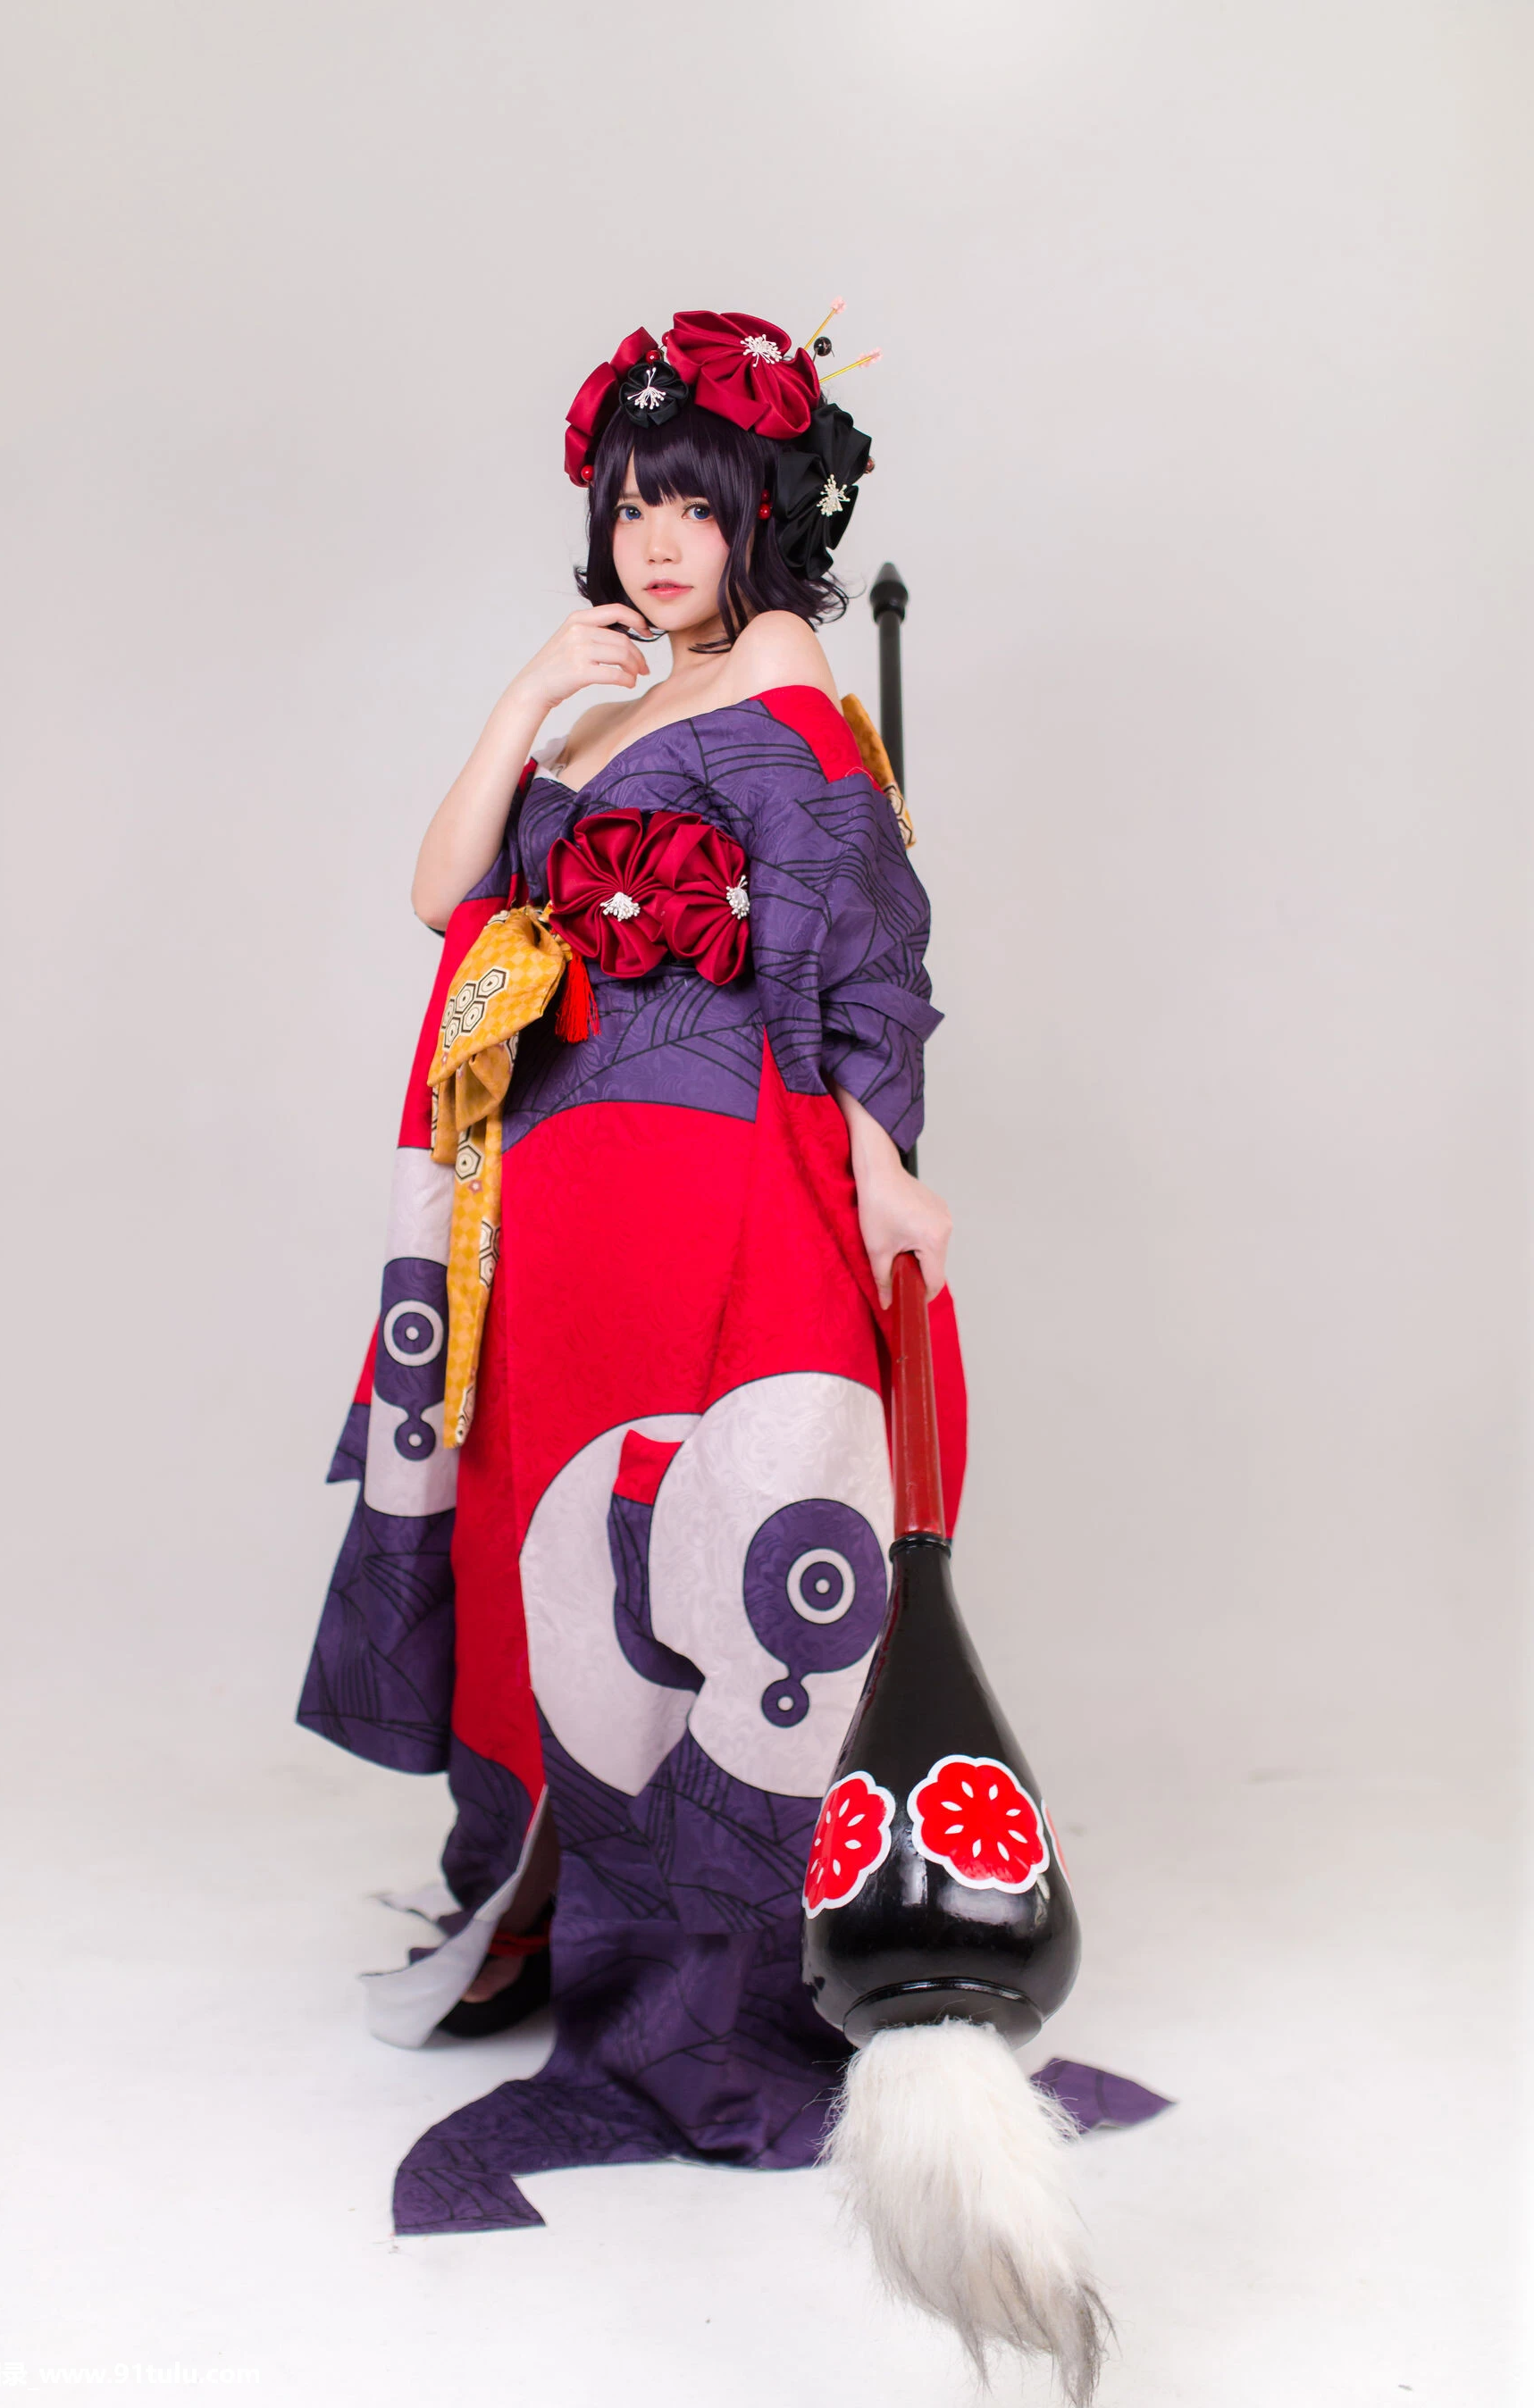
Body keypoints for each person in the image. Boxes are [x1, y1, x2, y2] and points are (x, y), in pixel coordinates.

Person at [298, 309, 966, 2237]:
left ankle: (697, 1966)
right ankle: (545, 1901)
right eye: (631, 506)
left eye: (697, 505)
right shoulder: (611, 699)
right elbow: (444, 891)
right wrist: (529, 688)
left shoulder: (783, 677)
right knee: (553, 1537)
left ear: (767, 519)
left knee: (693, 1541)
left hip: (708, 1181)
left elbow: (858, 947)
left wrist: (883, 1165)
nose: (660, 541)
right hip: (558, 1193)